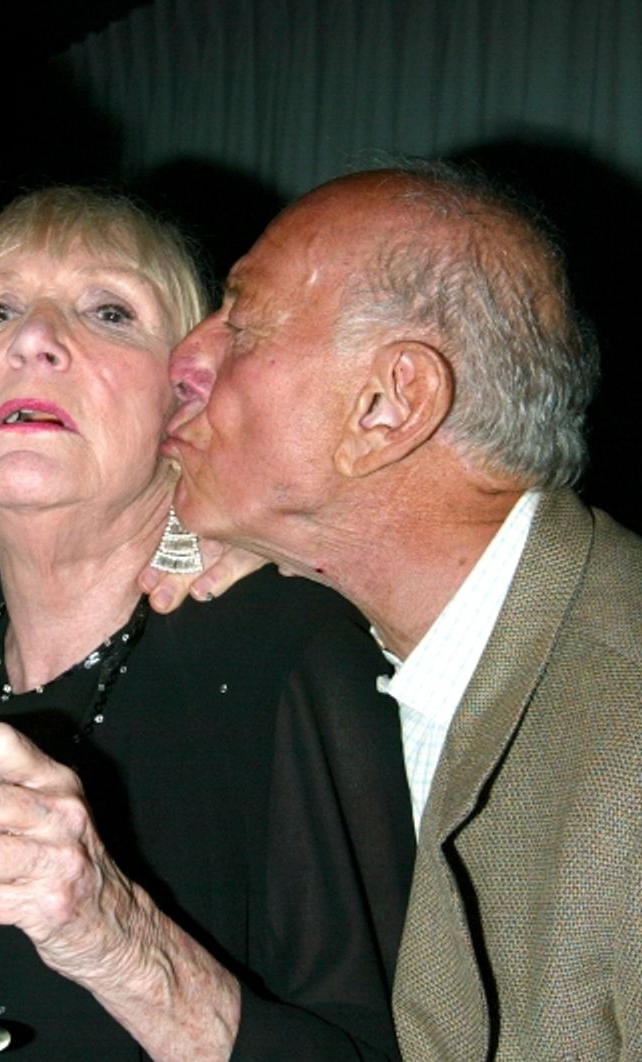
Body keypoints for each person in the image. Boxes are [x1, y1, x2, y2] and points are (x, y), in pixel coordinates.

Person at [0, 188, 416, 1060]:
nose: (31, 339)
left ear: (184, 398)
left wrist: (114, 939)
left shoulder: (290, 651)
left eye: (109, 311)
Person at [166, 161, 642, 1058]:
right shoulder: (399, 653)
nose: (185, 359)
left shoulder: (628, 729)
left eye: (244, 321)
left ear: (389, 408)